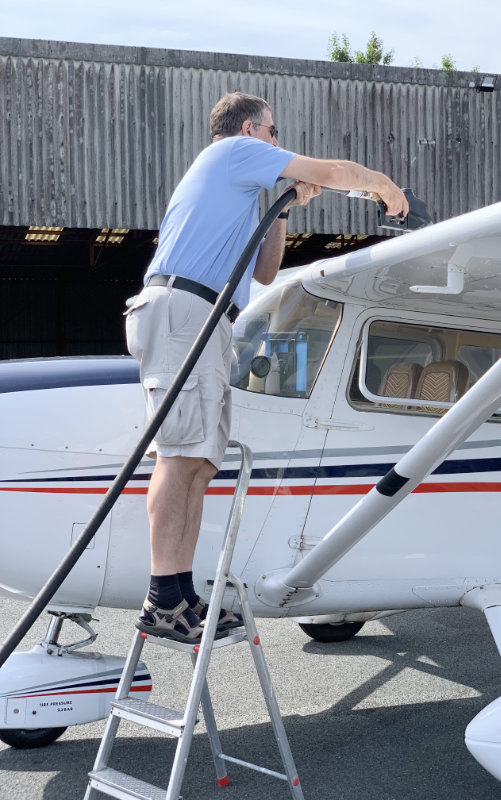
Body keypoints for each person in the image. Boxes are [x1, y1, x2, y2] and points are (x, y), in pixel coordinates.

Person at [126, 91, 408, 644]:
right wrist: (385, 187)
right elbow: (332, 170)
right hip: (186, 312)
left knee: (200, 462)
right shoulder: (234, 151)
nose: (278, 143)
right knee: (182, 457)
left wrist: (281, 204)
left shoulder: (240, 184)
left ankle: (179, 594)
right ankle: (162, 599)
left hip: (202, 318)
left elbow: (265, 271)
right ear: (251, 129)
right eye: (274, 132)